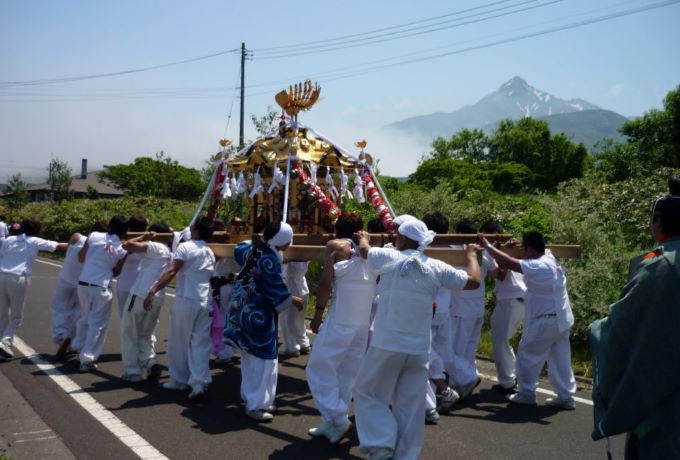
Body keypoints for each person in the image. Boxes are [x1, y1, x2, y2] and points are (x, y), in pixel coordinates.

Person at [353, 219, 480, 460]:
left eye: (397, 234)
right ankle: (406, 456)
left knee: (367, 392)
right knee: (410, 406)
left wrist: (364, 237)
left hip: (387, 344)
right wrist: (471, 256)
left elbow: (364, 251)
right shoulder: (436, 266)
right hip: (419, 348)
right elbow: (473, 282)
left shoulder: (388, 256)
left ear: (403, 238)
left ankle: (381, 446)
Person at [589, 176, 680, 459]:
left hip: (669, 409)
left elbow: (621, 332)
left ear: (658, 222)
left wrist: (596, 329)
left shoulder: (659, 266)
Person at [479, 230, 576, 409]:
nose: (523, 253)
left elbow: (510, 263)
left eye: (525, 249)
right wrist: (510, 248)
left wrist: (487, 245)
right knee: (559, 358)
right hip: (563, 319)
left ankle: (527, 393)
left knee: (527, 355)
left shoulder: (538, 266)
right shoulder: (550, 257)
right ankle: (565, 397)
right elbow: (515, 257)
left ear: (530, 248)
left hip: (546, 321)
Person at [306, 212, 377, 443]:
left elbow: (326, 283)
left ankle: (338, 418)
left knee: (317, 368)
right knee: (347, 372)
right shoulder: (373, 249)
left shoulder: (335, 245)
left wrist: (317, 313)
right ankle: (333, 423)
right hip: (362, 320)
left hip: (342, 318)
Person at [225, 221, 304, 422]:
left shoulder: (251, 250)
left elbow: (238, 247)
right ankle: (256, 405)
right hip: (258, 314)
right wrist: (292, 299)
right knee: (264, 360)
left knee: (249, 356)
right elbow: (274, 289)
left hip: (241, 307)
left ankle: (256, 398)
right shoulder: (269, 259)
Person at [146, 217, 215, 400]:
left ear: (197, 230)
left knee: (178, 342)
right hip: (204, 301)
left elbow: (171, 270)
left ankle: (179, 380)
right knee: (200, 344)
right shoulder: (209, 252)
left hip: (186, 300)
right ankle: (199, 383)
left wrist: (153, 288)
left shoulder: (186, 247)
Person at [0, 219, 67, 360]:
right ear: (36, 230)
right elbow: (59, 246)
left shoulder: (8, 239)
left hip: (1, 275)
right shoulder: (34, 241)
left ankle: (3, 344)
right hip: (18, 278)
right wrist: (83, 243)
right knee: (16, 316)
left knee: (2, 313)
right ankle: (5, 341)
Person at [447, 219, 498, 400]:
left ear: (459, 233)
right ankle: (460, 385)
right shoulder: (482, 250)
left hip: (460, 309)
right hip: (477, 308)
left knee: (451, 352)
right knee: (467, 351)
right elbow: (497, 272)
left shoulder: (454, 250)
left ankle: (468, 378)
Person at [73, 215, 128, 372]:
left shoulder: (94, 236)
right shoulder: (122, 249)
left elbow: (81, 257)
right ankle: (87, 359)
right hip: (101, 286)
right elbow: (116, 271)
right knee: (98, 324)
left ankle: (79, 349)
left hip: (83, 282)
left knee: (85, 318)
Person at [120, 222, 173, 382]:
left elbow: (127, 245)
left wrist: (145, 237)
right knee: (145, 334)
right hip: (157, 298)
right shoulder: (169, 252)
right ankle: (150, 363)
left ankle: (132, 372)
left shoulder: (156, 247)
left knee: (130, 332)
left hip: (140, 294)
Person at [480, 221, 527, 394]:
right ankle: (510, 378)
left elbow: (500, 275)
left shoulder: (499, 252)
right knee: (503, 341)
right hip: (518, 299)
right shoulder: (507, 250)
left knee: (501, 342)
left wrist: (500, 253)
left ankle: (508, 382)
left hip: (511, 300)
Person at [49, 221, 108, 359]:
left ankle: (61, 336)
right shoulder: (100, 247)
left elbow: (69, 247)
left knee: (59, 309)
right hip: (83, 283)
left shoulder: (77, 237)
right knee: (79, 314)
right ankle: (75, 343)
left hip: (65, 279)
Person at [421, 212, 459, 422]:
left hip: (431, 309)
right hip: (445, 308)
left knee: (424, 352)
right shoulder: (455, 250)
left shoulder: (426, 251)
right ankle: (439, 392)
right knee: (434, 351)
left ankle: (441, 392)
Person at [116, 215, 148, 318]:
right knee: (139, 319)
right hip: (141, 286)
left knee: (125, 318)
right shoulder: (149, 243)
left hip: (125, 285)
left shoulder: (122, 242)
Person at [278, 261, 311, 357]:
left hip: (289, 285)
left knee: (287, 319)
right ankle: (303, 342)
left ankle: (292, 346)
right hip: (302, 285)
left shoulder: (286, 249)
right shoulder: (304, 249)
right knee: (299, 319)